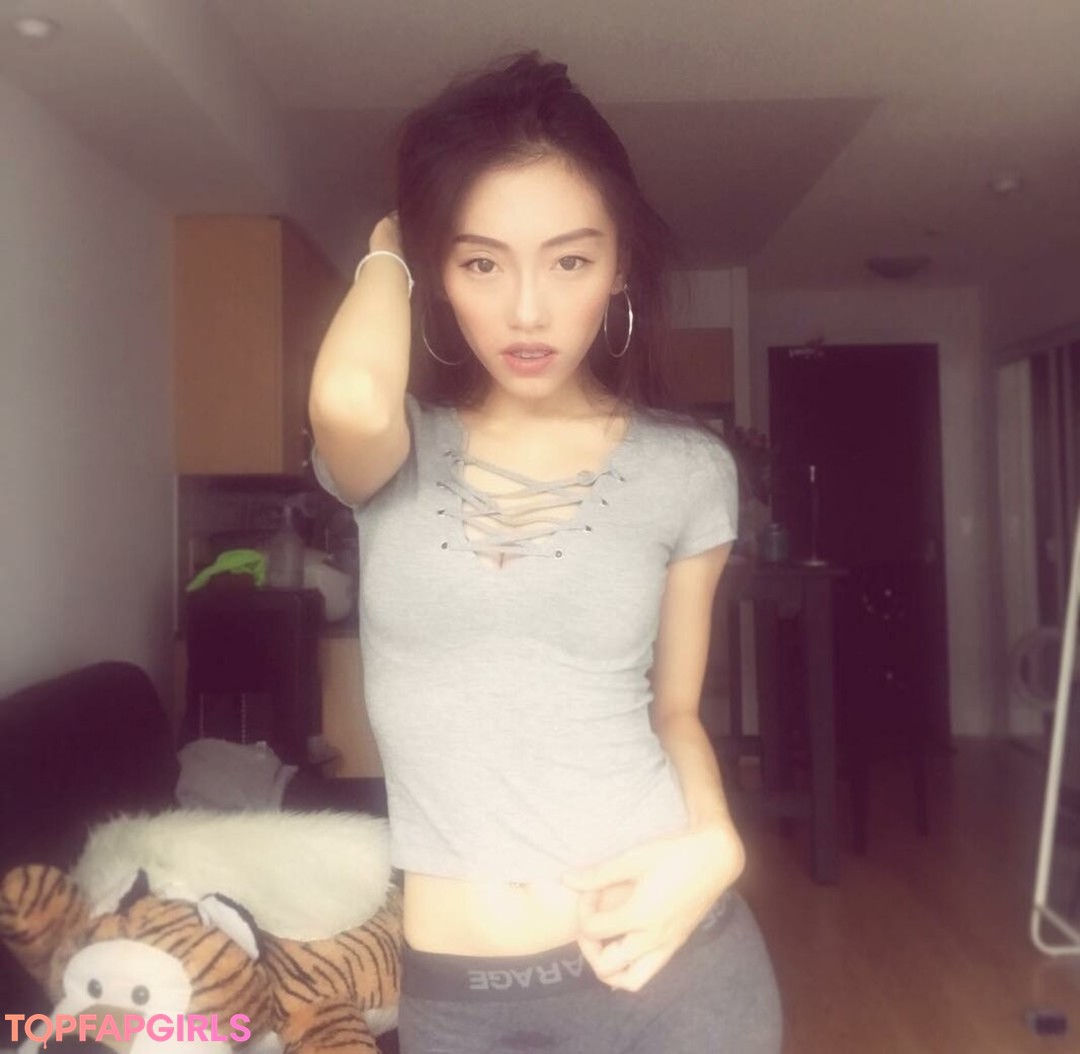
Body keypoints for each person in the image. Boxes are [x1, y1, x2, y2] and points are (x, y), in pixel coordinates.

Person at [309, 51, 782, 1054]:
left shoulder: (687, 470)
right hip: (458, 996)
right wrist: (390, 244)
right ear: (438, 274)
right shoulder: (392, 453)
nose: (527, 311)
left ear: (619, 268)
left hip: (671, 965)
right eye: (481, 262)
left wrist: (718, 842)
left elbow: (676, 711)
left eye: (569, 260)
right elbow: (347, 397)